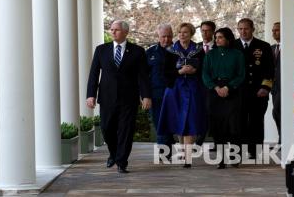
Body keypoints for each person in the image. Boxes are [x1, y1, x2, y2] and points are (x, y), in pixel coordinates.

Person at [86, 20, 152, 174]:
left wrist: (146, 96)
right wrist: (91, 95)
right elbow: (94, 74)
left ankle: (122, 162)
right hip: (107, 97)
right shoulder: (101, 50)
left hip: (129, 98)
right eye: (111, 29)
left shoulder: (137, 51)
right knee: (106, 128)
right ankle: (114, 154)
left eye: (116, 29)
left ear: (125, 32)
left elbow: (143, 76)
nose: (113, 32)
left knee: (126, 131)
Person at [158, 22, 207, 168]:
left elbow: (204, 70)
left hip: (194, 89)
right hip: (175, 91)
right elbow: (165, 74)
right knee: (179, 120)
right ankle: (183, 150)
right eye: (179, 32)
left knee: (190, 121)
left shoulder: (198, 50)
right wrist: (180, 72)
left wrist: (194, 71)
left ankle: (187, 157)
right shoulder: (170, 50)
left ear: (191, 34)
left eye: (185, 32)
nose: (181, 35)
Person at [203, 27, 245, 169]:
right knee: (217, 126)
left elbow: (241, 74)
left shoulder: (237, 54)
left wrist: (228, 87)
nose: (217, 40)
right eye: (216, 37)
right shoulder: (210, 54)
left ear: (228, 39)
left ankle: (234, 157)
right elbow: (205, 74)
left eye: (220, 37)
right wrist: (215, 88)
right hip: (214, 91)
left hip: (232, 91)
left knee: (233, 125)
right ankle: (220, 159)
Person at [234, 18, 274, 160]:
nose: (243, 31)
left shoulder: (263, 46)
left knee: (256, 122)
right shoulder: (233, 46)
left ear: (252, 29)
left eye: (246, 28)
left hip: (258, 91)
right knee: (239, 122)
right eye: (240, 29)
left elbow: (270, 69)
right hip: (238, 92)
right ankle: (238, 151)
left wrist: (265, 87)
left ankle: (254, 151)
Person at [146, 24, 175, 160]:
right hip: (156, 95)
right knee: (159, 124)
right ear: (158, 36)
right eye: (163, 36)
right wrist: (145, 96)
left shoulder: (178, 51)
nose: (166, 39)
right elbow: (144, 76)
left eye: (169, 36)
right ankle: (165, 152)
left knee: (170, 124)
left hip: (175, 94)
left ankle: (165, 152)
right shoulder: (150, 52)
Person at [196, 21, 216, 147]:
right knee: (200, 113)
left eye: (208, 30)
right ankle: (199, 141)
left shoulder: (219, 47)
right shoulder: (196, 47)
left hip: (215, 86)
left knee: (214, 113)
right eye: (202, 30)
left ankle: (216, 141)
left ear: (213, 31)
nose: (205, 33)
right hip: (198, 86)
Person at [271, 22, 281, 145]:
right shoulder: (271, 48)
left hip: (285, 86)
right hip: (274, 87)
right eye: (273, 30)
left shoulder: (290, 46)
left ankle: (282, 139)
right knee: (276, 112)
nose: (274, 32)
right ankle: (281, 137)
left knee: (277, 111)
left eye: (277, 30)